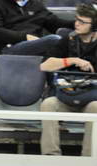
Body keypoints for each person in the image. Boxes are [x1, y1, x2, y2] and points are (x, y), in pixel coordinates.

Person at [39, 3, 97, 157]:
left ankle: (89, 157)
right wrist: (72, 60)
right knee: (48, 104)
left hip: (92, 98)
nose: (77, 24)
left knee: (96, 107)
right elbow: (44, 65)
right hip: (66, 96)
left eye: (83, 22)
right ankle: (51, 156)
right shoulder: (68, 40)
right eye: (77, 20)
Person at [0, 0, 74, 61]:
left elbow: (56, 23)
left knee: (69, 41)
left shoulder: (36, 5)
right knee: (54, 40)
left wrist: (79, 23)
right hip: (6, 48)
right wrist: (25, 37)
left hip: (34, 46)